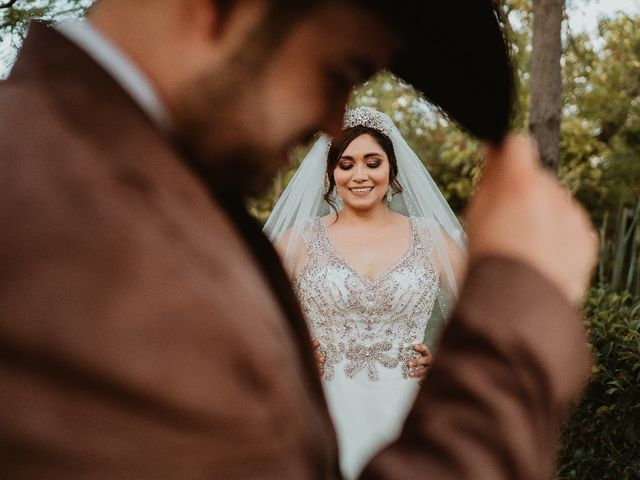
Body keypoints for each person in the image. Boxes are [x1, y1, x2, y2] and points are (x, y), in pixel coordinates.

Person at [0, 0, 597, 479]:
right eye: (339, 72)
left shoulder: (154, 191)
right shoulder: (59, 226)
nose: (335, 125)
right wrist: (519, 314)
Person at [264, 106, 467, 478]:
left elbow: (486, 311)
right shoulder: (298, 241)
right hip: (325, 410)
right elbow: (244, 319)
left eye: (373, 162)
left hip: (408, 411)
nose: (360, 175)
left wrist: (449, 366)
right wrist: (291, 355)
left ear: (391, 169)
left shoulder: (432, 239)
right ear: (330, 173)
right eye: (346, 164)